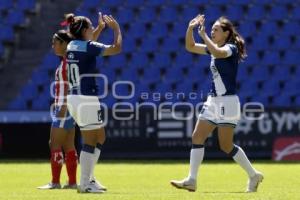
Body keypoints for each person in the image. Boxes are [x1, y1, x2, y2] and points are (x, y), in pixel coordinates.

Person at [170, 15, 263, 193]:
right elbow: (190, 46)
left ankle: (253, 175)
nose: (212, 32)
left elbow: (218, 53)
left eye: (216, 30)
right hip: (213, 100)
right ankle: (192, 180)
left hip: (227, 102)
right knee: (197, 137)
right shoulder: (215, 48)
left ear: (226, 33)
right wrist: (190, 28)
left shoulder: (231, 48)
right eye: (211, 29)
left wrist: (204, 36)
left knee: (226, 146)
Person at [37, 13, 106, 190]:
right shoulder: (72, 55)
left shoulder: (69, 58)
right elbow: (88, 46)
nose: (53, 46)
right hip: (73, 104)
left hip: (66, 104)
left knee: (55, 143)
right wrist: (98, 30)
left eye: (55, 42)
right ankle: (73, 181)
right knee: (69, 145)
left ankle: (55, 182)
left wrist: (65, 104)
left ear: (64, 43)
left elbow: (71, 82)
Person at [64, 13, 122, 193]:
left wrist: (99, 29)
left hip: (75, 97)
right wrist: (116, 30)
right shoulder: (87, 46)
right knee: (90, 140)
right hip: (85, 98)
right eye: (90, 28)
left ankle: (89, 178)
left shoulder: (72, 45)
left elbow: (88, 45)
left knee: (100, 136)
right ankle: (84, 183)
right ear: (85, 30)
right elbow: (115, 49)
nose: (92, 30)